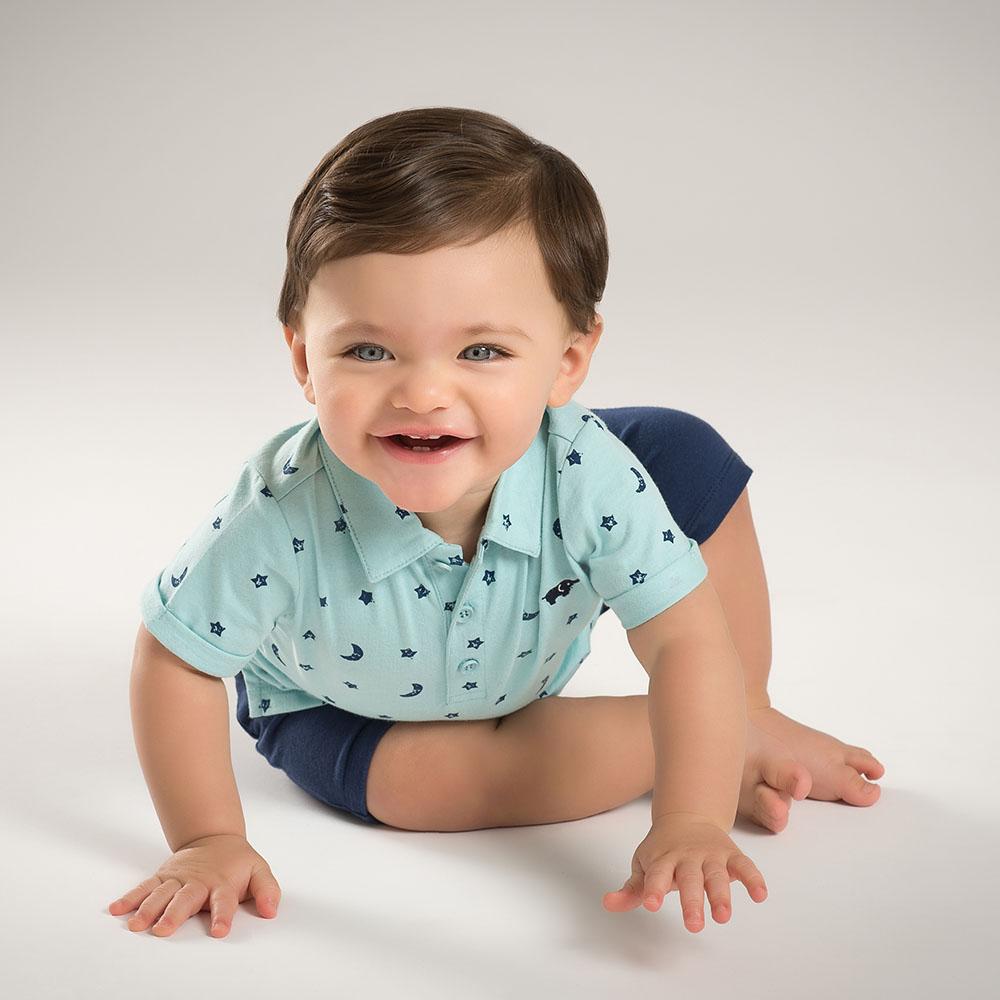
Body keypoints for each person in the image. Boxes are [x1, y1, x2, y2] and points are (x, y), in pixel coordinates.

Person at [109, 106, 884, 940]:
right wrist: (208, 838)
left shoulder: (589, 475)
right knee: (426, 791)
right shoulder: (276, 513)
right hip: (338, 708)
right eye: (369, 351)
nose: (422, 394)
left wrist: (690, 821)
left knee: (686, 460)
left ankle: (738, 715)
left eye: (480, 351)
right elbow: (175, 659)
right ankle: (723, 732)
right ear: (304, 358)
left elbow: (687, 641)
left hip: (536, 603)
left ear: (567, 362)